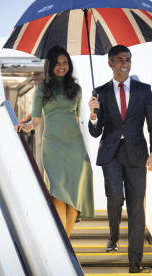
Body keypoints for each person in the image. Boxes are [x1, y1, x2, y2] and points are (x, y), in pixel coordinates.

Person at [88, 45, 152, 273]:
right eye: (119, 60)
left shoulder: (143, 90)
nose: (125, 64)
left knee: (137, 208)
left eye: (128, 59)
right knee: (115, 196)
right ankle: (113, 236)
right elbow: (95, 131)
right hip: (111, 153)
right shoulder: (100, 91)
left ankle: (134, 265)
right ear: (110, 63)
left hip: (137, 154)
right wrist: (92, 115)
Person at [18, 45, 94, 238]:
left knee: (74, 199)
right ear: (50, 65)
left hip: (75, 146)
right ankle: (64, 244)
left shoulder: (76, 89)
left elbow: (77, 119)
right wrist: (24, 126)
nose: (62, 66)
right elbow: (35, 121)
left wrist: (93, 110)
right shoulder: (42, 89)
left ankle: (65, 243)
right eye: (58, 63)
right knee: (58, 195)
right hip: (53, 146)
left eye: (65, 62)